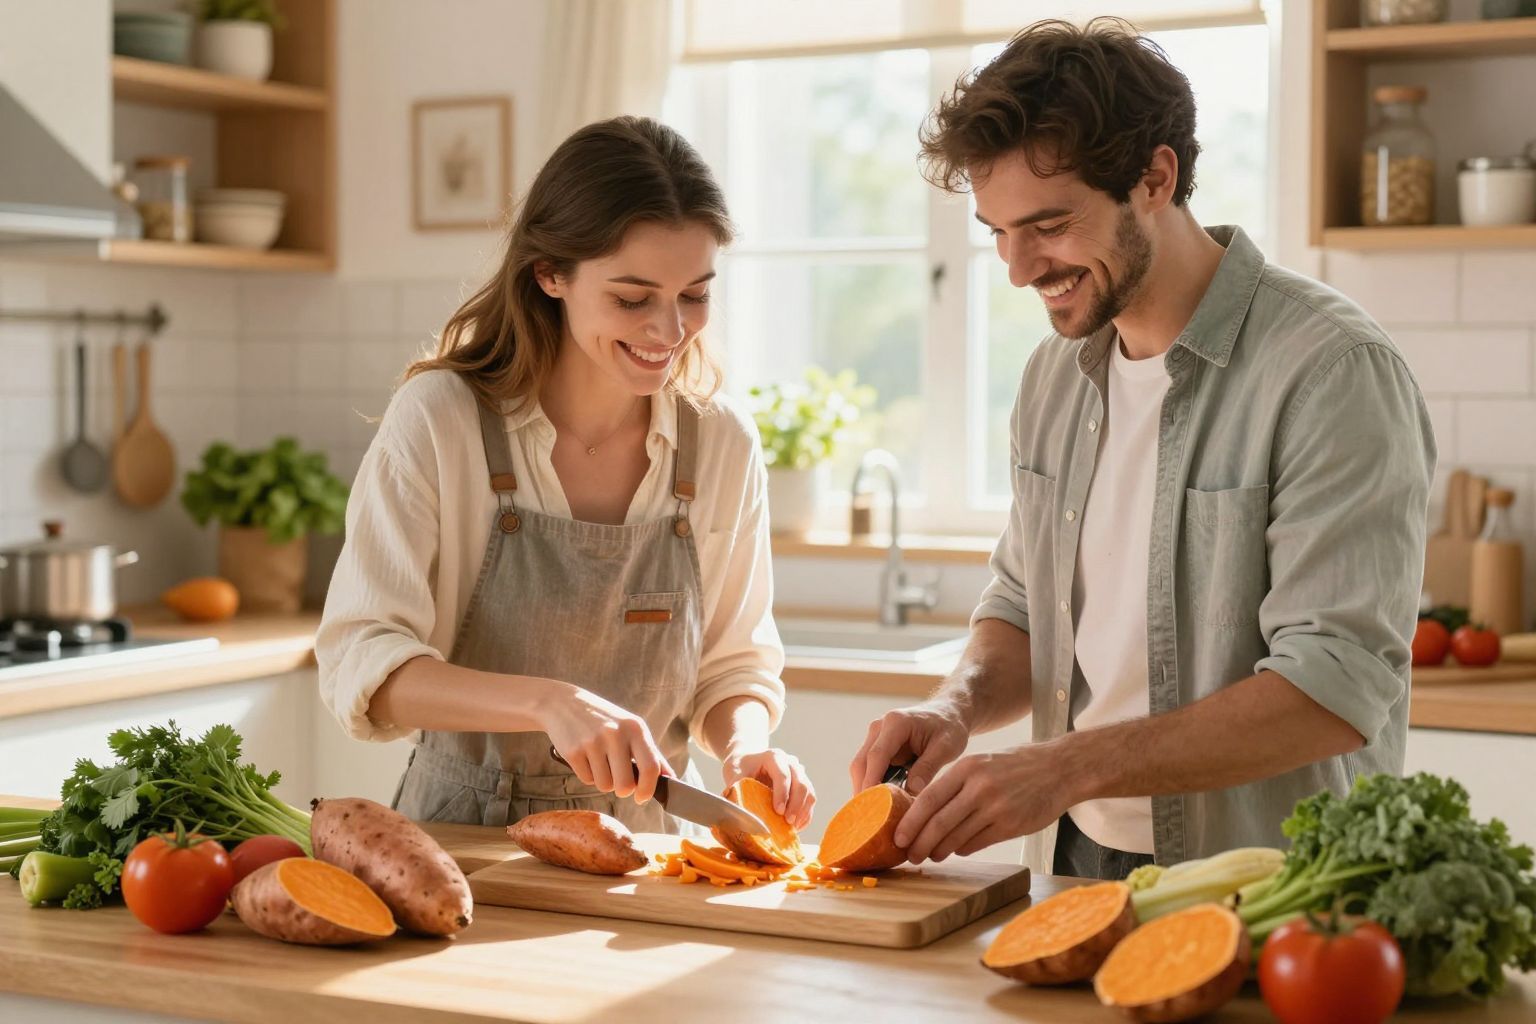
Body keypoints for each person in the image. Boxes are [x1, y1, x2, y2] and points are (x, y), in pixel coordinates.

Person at [850, 19, 1435, 878]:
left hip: (1267, 882)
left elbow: (1334, 689)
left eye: (1048, 225)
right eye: (997, 231)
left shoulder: (1330, 372)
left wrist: (1063, 766)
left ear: (1155, 178)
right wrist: (955, 708)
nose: (1017, 268)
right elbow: (1021, 606)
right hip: (1074, 857)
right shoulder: (1055, 377)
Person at [317, 116, 814, 833]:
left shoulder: (720, 444)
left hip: (653, 848)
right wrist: (549, 702)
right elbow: (363, 662)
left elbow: (732, 667)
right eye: (633, 297)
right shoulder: (440, 419)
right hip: (466, 841)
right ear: (549, 273)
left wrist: (745, 750)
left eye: (694, 294)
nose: (670, 331)